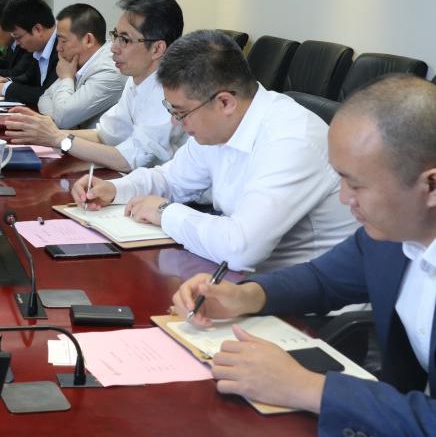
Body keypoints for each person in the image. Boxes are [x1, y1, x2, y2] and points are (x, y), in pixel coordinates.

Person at [170, 74, 436, 434]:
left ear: (431, 185)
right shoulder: (390, 235)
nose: (344, 197)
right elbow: (321, 279)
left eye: (356, 184)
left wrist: (308, 387)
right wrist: (243, 296)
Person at [72, 30, 355, 272]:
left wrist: (164, 212)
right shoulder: (220, 125)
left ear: (225, 102)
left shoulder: (291, 141)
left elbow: (241, 248)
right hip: (244, 283)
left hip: (309, 305)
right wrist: (114, 189)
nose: (175, 123)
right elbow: (171, 179)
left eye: (181, 112)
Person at [5, 0, 186, 172]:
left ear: (157, 49)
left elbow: (131, 160)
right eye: (115, 35)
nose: (113, 47)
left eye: (124, 40)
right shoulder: (136, 80)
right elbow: (105, 135)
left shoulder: (170, 91)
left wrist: (57, 138)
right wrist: (45, 133)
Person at [0, 0, 124, 124]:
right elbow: (44, 99)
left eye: (63, 41)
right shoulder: (78, 61)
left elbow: (64, 117)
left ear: (88, 40)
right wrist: (59, 115)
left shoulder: (109, 71)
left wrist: (66, 78)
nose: (58, 47)